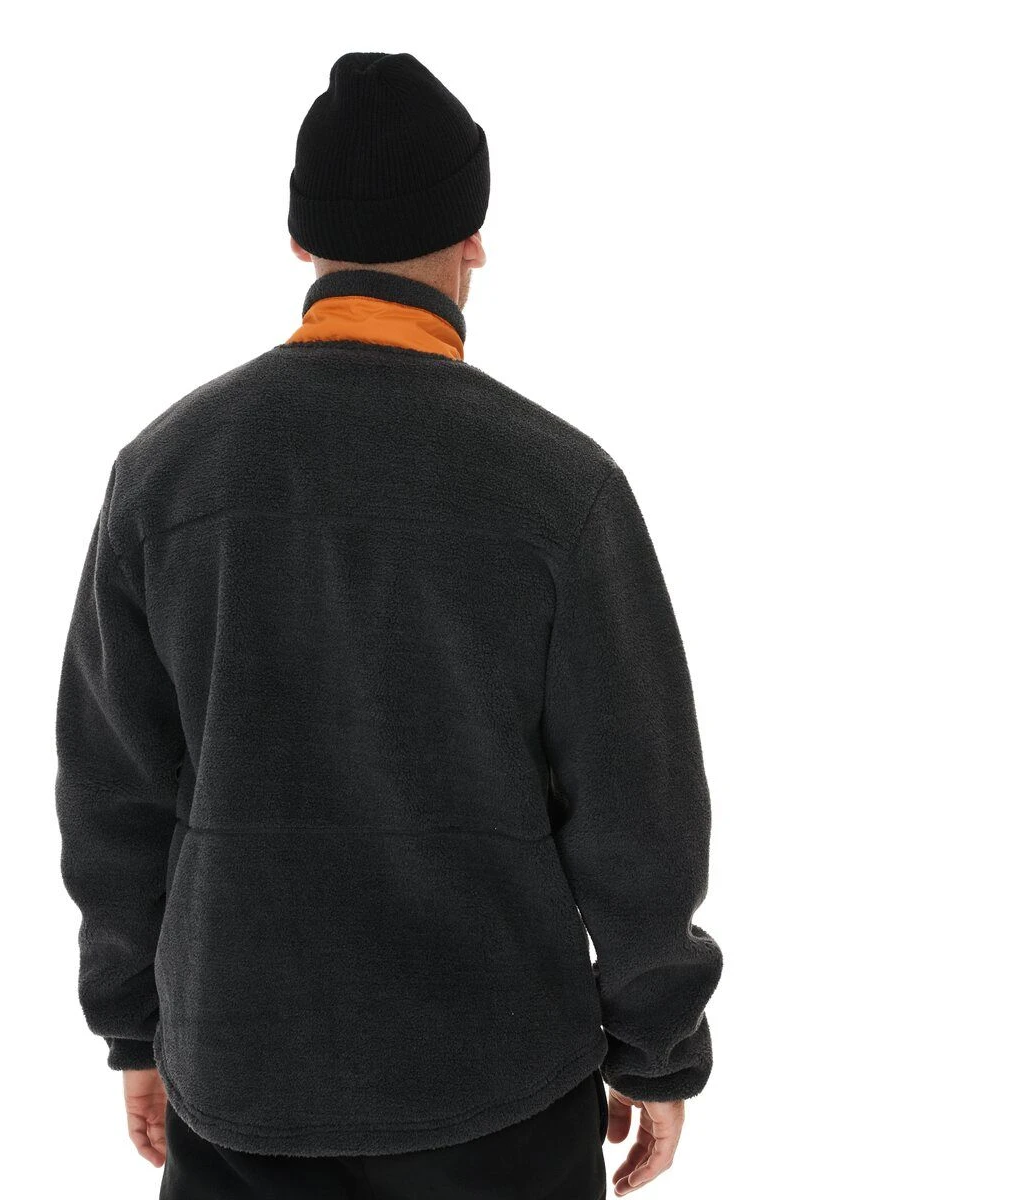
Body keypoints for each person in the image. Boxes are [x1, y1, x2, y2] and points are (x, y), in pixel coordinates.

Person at [54, 50, 723, 1200]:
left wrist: (135, 1029)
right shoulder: (561, 489)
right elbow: (639, 810)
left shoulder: (164, 476)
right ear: (473, 240)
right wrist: (656, 1047)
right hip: (500, 1088)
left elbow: (113, 789)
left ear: (301, 243)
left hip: (241, 1076)